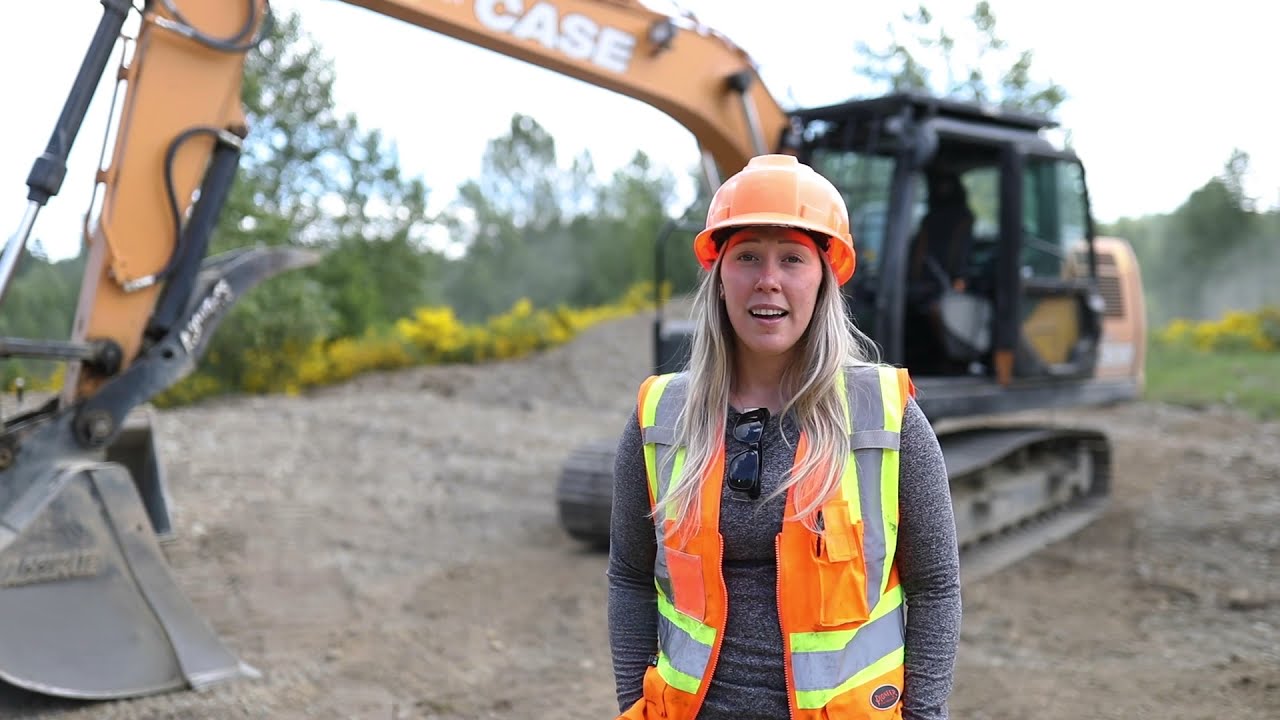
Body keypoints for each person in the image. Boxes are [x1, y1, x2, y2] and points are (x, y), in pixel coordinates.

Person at [607, 154, 961, 719]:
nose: (767, 279)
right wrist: (633, 703)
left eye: (792, 258)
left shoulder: (885, 419)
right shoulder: (660, 417)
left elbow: (936, 589)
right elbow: (629, 577)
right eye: (747, 256)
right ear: (719, 277)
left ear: (823, 280)